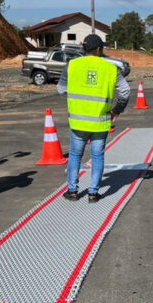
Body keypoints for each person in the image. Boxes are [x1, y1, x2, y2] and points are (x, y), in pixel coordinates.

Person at [57, 34, 130, 202]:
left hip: (78, 121)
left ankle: (73, 191)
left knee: (75, 155)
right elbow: (125, 91)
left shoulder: (72, 65)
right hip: (100, 122)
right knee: (97, 156)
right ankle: (93, 193)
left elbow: (61, 89)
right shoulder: (111, 68)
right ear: (99, 49)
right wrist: (117, 110)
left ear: (85, 48)